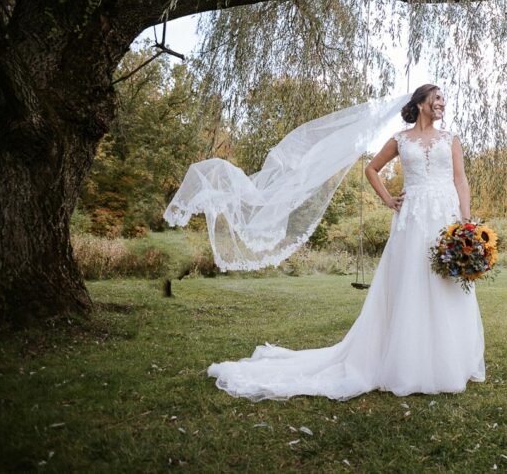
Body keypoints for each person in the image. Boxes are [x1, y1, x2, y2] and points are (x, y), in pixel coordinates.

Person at [205, 84, 485, 400]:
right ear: (421, 103)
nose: (441, 104)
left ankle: (450, 361)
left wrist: (466, 220)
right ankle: (409, 364)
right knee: (412, 282)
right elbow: (371, 169)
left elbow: (460, 179)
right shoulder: (400, 140)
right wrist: (389, 200)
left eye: (443, 100)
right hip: (412, 218)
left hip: (445, 216)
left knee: (447, 282)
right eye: (436, 98)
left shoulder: (451, 140)